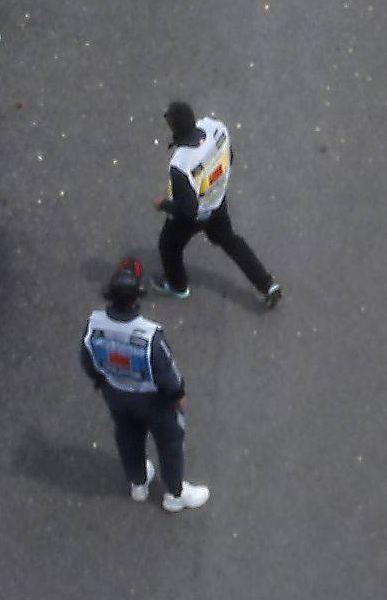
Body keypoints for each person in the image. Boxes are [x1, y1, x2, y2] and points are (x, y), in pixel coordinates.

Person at [81, 259, 210, 510]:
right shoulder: (149, 334)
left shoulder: (93, 324)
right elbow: (166, 370)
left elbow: (86, 359)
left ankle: (138, 483)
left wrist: (102, 382)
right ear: (134, 300)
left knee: (128, 437)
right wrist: (178, 394)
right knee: (170, 442)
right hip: (153, 400)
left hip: (116, 394)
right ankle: (175, 493)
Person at [153, 100, 282, 309]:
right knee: (230, 241)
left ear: (173, 127)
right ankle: (267, 284)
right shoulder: (216, 129)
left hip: (195, 214)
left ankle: (177, 285)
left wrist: (163, 205)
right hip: (217, 202)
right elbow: (229, 157)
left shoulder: (181, 165)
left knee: (169, 246)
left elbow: (188, 210)